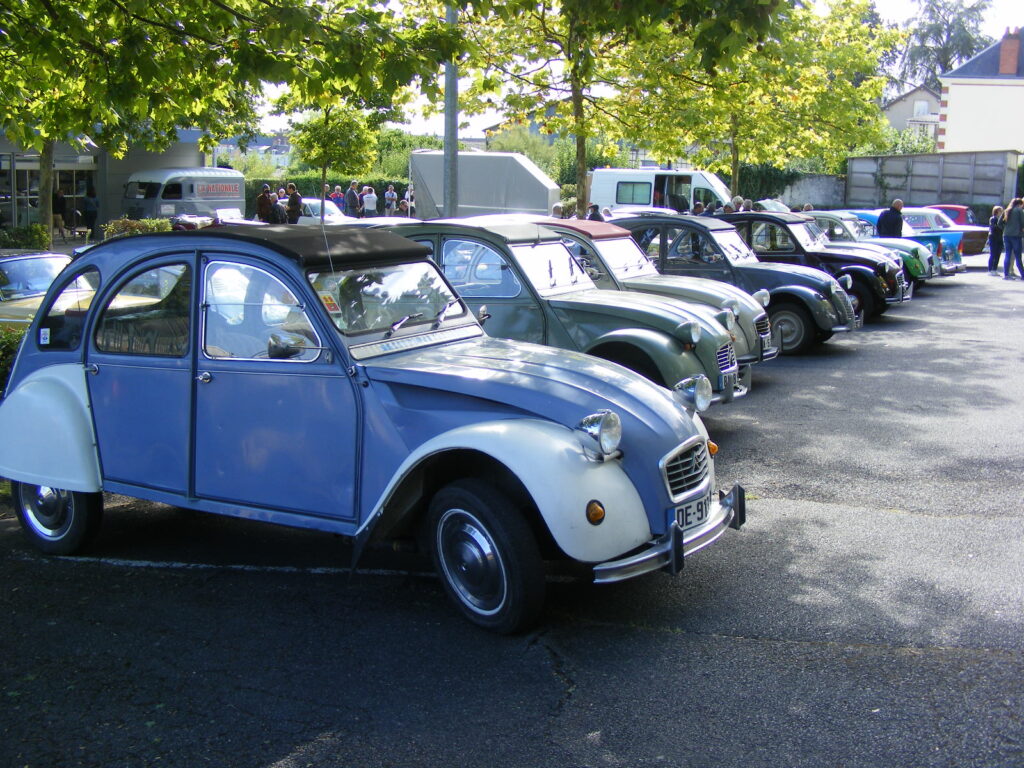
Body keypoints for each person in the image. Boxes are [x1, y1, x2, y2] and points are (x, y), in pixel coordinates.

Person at [1002, 198, 1024, 280]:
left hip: (1006, 234)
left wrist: (1006, 229)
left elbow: (1000, 223)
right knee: (1018, 256)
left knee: (1007, 254)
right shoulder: (1019, 210)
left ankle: (1006, 274)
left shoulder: (1007, 210)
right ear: (1019, 204)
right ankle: (1023, 274)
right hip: (1016, 235)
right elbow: (1023, 222)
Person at [988, 205, 1005, 275]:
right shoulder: (993, 219)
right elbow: (993, 228)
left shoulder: (1002, 219)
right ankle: (990, 269)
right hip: (993, 237)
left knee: (998, 254)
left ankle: (994, 269)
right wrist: (1000, 226)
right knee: (993, 254)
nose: (1002, 212)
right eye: (1001, 211)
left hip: (1000, 238)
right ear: (997, 211)